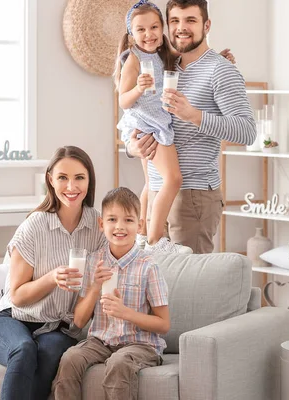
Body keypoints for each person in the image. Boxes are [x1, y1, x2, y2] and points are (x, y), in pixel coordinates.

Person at [126, 0, 256, 254]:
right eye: (175, 21)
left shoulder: (221, 71)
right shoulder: (162, 65)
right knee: (156, 289)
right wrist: (133, 147)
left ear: (206, 25)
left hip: (192, 197)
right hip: (155, 194)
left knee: (188, 290)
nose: (181, 28)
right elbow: (138, 116)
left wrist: (195, 115)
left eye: (191, 20)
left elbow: (247, 131)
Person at [0, 146, 106, 400]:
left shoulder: (97, 227)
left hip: (59, 329)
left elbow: (83, 315)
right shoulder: (34, 226)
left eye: (79, 178)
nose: (71, 186)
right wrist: (52, 278)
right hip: (13, 319)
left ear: (89, 180)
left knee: (50, 353)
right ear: (50, 179)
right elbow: (16, 296)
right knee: (24, 349)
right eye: (62, 177)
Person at [51, 187, 170, 400]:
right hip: (101, 341)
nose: (120, 227)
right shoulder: (94, 262)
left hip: (141, 344)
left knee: (119, 363)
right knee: (70, 358)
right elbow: (78, 321)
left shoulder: (148, 267)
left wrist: (126, 313)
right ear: (101, 224)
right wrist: (95, 286)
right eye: (112, 219)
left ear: (140, 225)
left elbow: (163, 324)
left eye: (128, 220)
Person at [115, 0, 189, 254]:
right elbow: (123, 100)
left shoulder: (163, 50)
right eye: (141, 30)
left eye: (154, 27)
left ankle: (143, 235)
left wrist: (218, 58)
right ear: (131, 34)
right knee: (173, 178)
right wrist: (138, 87)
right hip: (147, 124)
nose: (149, 34)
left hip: (156, 119)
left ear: (162, 28)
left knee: (151, 182)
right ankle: (158, 240)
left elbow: (187, 57)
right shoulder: (133, 59)